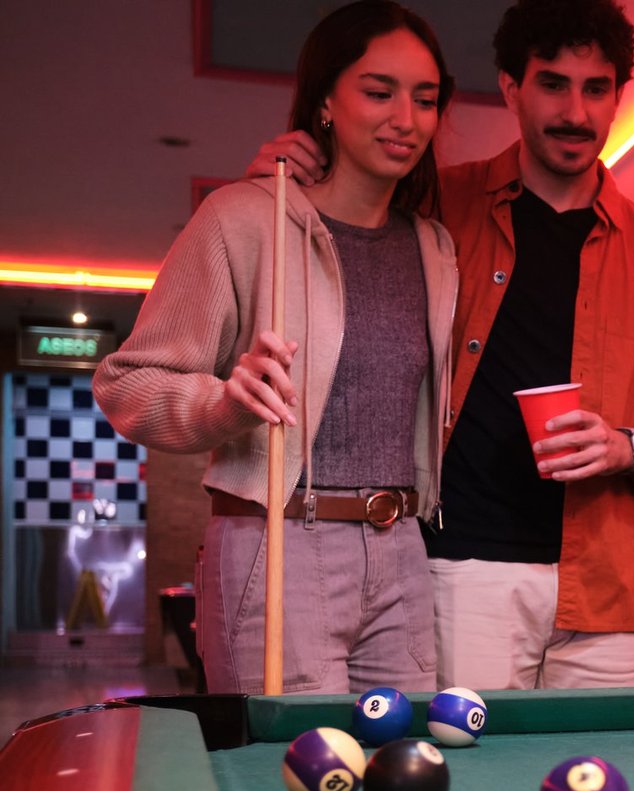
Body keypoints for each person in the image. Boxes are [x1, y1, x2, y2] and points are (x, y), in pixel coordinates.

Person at [251, 0, 634, 690]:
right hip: (458, 566)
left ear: (620, 95)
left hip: (609, 587)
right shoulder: (435, 204)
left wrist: (629, 446)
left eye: (597, 89)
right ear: (510, 87)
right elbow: (335, 235)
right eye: (553, 84)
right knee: (463, 780)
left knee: (596, 783)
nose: (576, 112)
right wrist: (282, 191)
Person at [94, 1, 456, 695]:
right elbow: (128, 383)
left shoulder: (436, 247)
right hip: (279, 541)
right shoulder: (242, 219)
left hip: (404, 548)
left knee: (400, 774)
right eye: (378, 92)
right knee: (290, 778)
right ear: (325, 102)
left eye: (426, 98)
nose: (405, 119)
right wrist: (225, 405)